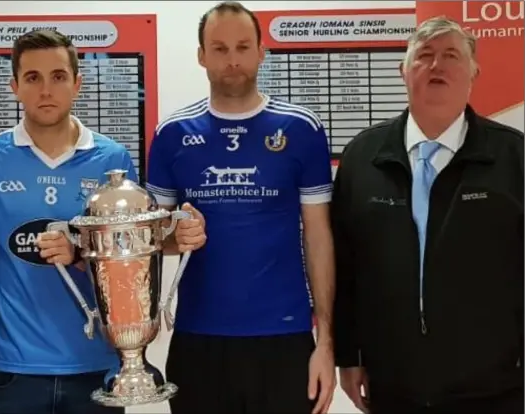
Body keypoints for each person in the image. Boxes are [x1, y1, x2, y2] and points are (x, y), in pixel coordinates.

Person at [0, 29, 206, 414]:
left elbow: (131, 252)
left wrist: (179, 235)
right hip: (10, 370)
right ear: (14, 86)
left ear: (77, 84)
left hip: (96, 366)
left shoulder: (111, 159)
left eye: (58, 76)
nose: (46, 90)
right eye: (33, 78)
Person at [145, 2, 337, 413]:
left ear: (261, 51)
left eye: (242, 47)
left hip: (285, 339)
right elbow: (150, 239)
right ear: (200, 55)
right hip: (199, 341)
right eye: (219, 48)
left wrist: (326, 344)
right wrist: (172, 238)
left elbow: (319, 235)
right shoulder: (172, 134)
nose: (232, 60)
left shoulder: (301, 128)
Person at [332, 16, 524, 414]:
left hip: (496, 388)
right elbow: (346, 266)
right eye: (425, 55)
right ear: (404, 70)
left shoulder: (514, 156)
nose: (437, 66)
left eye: (451, 55)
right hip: (392, 386)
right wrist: (348, 355)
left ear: (474, 71)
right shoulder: (363, 157)